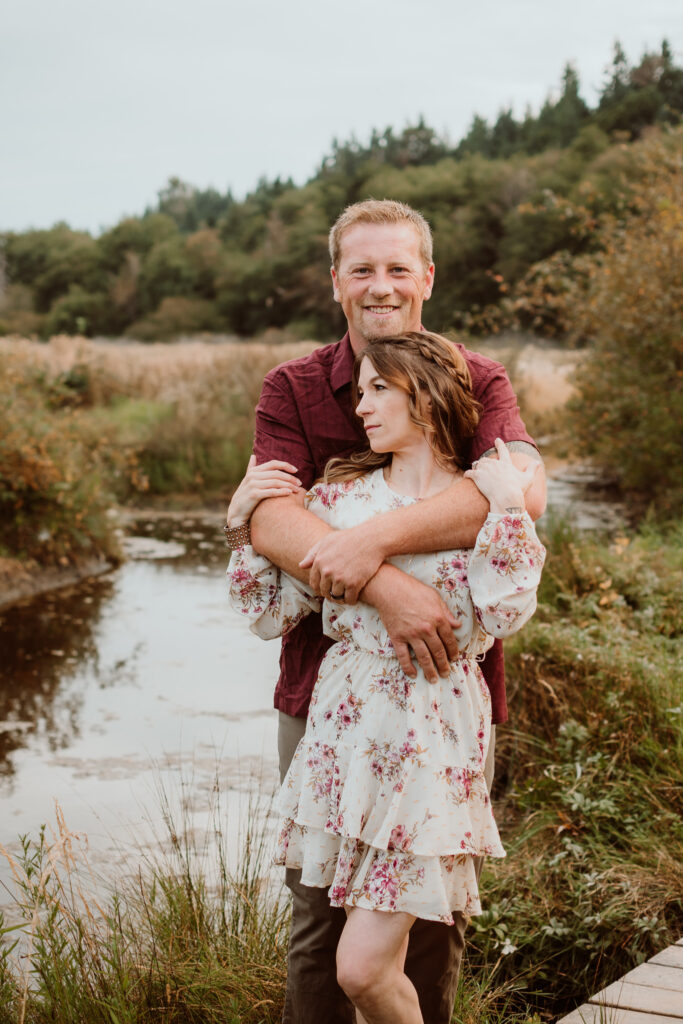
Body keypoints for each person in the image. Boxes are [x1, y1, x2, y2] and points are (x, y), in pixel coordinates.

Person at [226, 199, 546, 1024]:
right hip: (327, 701)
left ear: (426, 277)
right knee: (318, 922)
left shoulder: (475, 379)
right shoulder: (293, 387)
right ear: (335, 281)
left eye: (397, 267)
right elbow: (273, 521)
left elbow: (521, 496)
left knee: (429, 924)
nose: (380, 285)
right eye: (360, 268)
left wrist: (372, 548)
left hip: (440, 695)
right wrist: (383, 585)